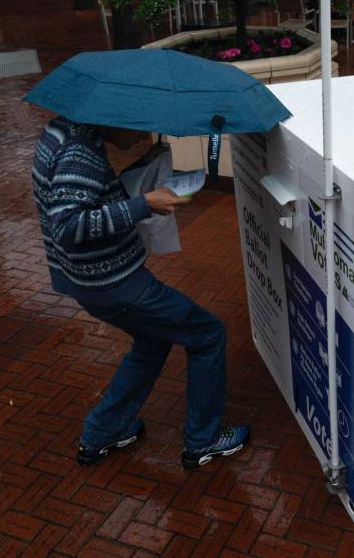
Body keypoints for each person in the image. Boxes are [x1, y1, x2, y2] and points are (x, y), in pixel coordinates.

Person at [32, 116, 249, 468]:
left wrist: (137, 175)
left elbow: (76, 200)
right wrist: (144, 204)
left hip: (87, 279)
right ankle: (202, 440)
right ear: (115, 113)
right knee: (207, 334)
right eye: (137, 125)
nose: (139, 134)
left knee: (153, 340)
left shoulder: (61, 130)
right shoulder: (80, 153)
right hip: (115, 283)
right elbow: (69, 225)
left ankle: (103, 432)